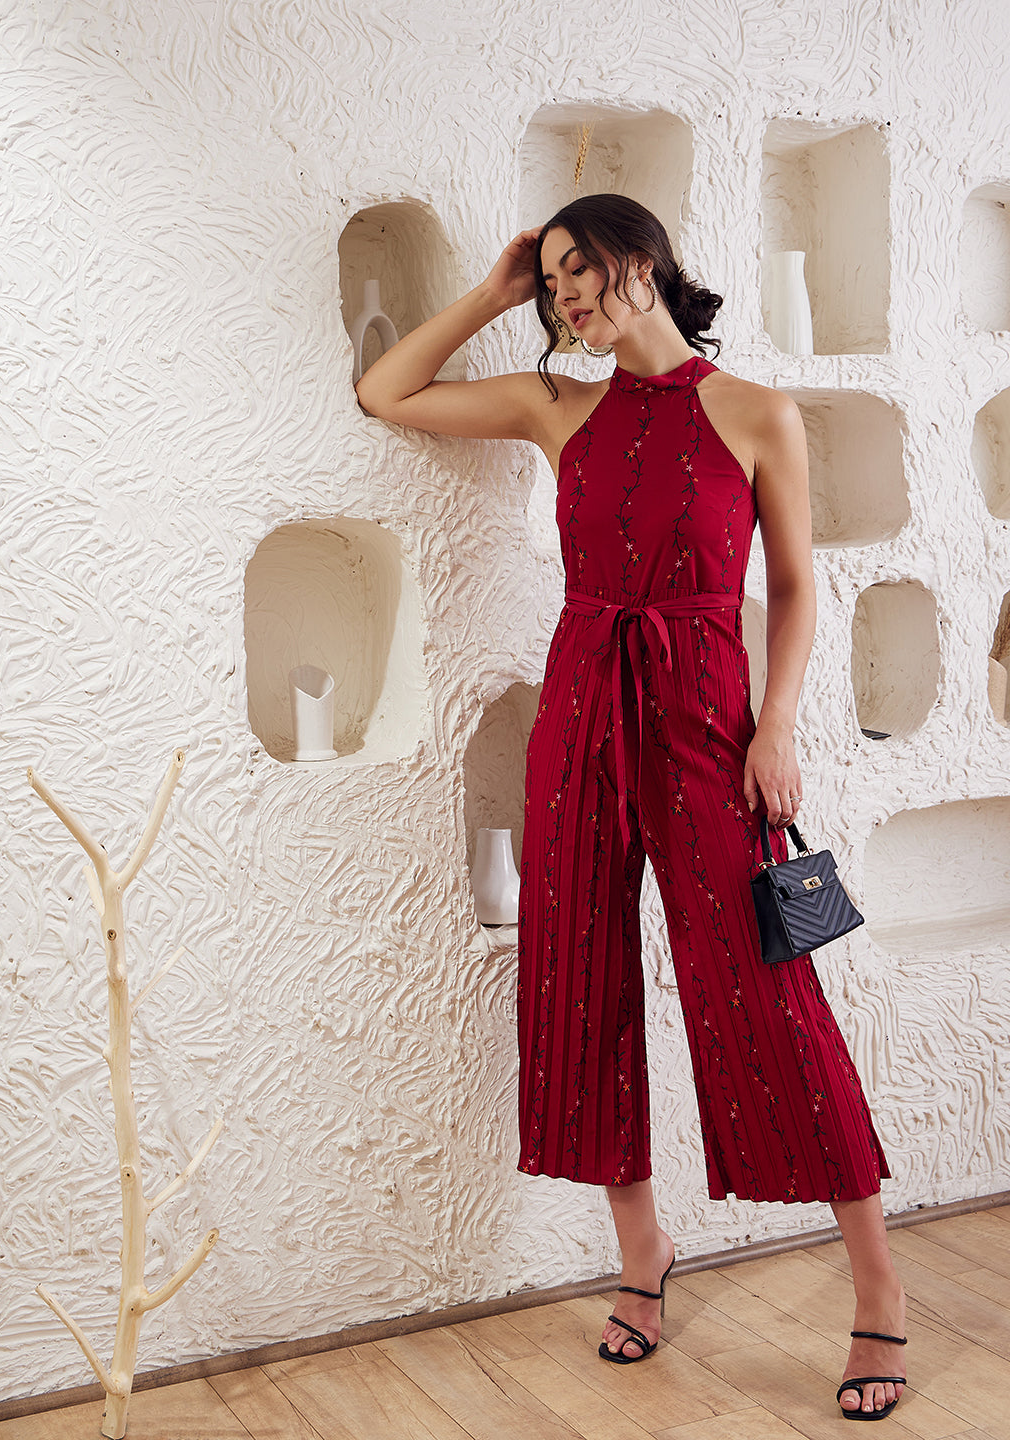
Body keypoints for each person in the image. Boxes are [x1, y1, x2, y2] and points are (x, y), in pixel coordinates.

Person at [356, 194, 907, 1421]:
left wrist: (775, 726)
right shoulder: (557, 406)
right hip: (582, 709)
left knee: (768, 989)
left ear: (642, 262)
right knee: (578, 971)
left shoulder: (757, 412)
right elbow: (386, 392)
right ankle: (641, 1254)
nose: (566, 297)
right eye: (552, 281)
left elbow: (795, 586)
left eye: (580, 272)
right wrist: (494, 293)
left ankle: (878, 1288)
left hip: (708, 719)